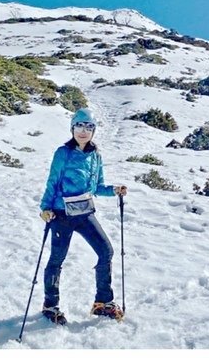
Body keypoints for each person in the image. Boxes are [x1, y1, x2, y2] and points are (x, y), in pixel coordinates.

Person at [39, 108, 127, 323]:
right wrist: (45, 208)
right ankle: (50, 306)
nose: (83, 131)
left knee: (106, 251)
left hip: (85, 212)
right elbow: (53, 182)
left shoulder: (95, 156)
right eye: (79, 126)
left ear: (94, 131)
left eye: (89, 127)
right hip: (61, 214)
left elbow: (97, 187)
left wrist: (114, 190)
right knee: (57, 259)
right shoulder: (63, 153)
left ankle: (103, 302)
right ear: (72, 128)